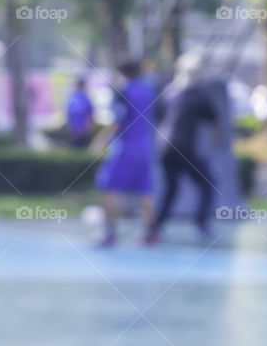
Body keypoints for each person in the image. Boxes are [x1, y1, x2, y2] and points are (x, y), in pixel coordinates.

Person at [146, 79, 222, 244]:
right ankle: (201, 224)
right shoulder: (197, 94)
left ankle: (157, 226)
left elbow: (159, 117)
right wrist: (217, 137)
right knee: (207, 185)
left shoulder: (169, 93)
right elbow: (215, 120)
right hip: (183, 148)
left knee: (171, 189)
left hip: (166, 147)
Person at [91, 60, 157, 247]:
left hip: (124, 149)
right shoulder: (150, 91)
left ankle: (110, 233)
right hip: (145, 148)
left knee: (108, 188)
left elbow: (117, 121)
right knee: (146, 192)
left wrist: (99, 142)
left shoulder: (123, 92)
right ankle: (151, 233)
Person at [65, 76, 95, 149]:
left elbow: (90, 112)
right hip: (74, 126)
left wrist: (90, 123)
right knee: (75, 145)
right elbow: (68, 112)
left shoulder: (85, 98)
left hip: (83, 127)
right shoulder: (72, 97)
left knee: (82, 144)